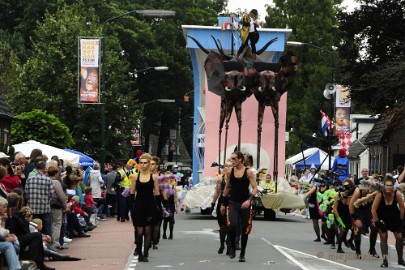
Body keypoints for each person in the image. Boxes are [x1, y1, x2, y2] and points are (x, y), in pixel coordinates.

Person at [220, 151, 258, 262]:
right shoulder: (229, 172)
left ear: (240, 160)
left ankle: (242, 253)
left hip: (245, 203)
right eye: (231, 159)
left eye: (234, 159)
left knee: (244, 229)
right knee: (232, 224)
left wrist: (249, 200)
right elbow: (227, 188)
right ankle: (232, 247)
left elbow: (255, 188)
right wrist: (223, 203)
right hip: (233, 202)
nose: (232, 161)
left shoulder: (248, 172)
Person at [130, 153, 160, 262]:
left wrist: (159, 208)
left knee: (148, 230)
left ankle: (145, 254)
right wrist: (131, 207)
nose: (143, 165)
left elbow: (157, 193)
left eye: (145, 163)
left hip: (150, 205)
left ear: (148, 163)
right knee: (139, 231)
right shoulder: (135, 176)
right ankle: (139, 251)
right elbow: (132, 192)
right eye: (141, 163)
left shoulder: (154, 177)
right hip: (138, 205)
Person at [371, 175, 405, 267]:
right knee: (383, 237)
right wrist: (377, 221)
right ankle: (385, 261)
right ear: (384, 186)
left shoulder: (397, 193)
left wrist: (402, 222)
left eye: (390, 186)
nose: (388, 188)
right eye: (387, 185)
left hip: (394, 217)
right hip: (382, 217)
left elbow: (402, 208)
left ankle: (400, 259)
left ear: (393, 186)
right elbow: (373, 209)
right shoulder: (380, 194)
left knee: (399, 237)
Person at [349, 176, 379, 259]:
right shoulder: (358, 191)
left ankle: (372, 249)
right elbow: (351, 205)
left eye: (371, 188)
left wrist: (374, 217)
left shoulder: (374, 191)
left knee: (374, 227)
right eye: (368, 189)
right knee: (357, 229)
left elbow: (375, 205)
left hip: (368, 210)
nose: (369, 191)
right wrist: (354, 218)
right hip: (357, 210)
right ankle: (358, 250)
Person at [24, 161, 55, 238]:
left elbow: (26, 193)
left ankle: (36, 245)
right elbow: (52, 193)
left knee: (33, 228)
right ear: (44, 169)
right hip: (45, 208)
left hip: (32, 208)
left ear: (36, 168)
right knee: (47, 229)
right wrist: (48, 200)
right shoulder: (48, 180)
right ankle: (48, 245)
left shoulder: (29, 180)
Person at [212, 159, 232, 255]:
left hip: (232, 202)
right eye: (226, 166)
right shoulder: (220, 178)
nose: (228, 167)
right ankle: (222, 245)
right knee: (222, 226)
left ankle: (229, 244)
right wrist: (213, 202)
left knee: (230, 225)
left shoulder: (236, 178)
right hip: (222, 201)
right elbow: (217, 191)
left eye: (230, 166)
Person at [0, 196, 23, 270]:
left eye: (6, 207)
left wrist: (8, 235)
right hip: (3, 242)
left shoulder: (2, 217)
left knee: (15, 245)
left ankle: (17, 266)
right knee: (9, 245)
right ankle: (16, 268)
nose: (5, 209)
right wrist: (6, 239)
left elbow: (2, 232)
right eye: (3, 207)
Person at [333, 179, 355, 253]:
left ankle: (349, 241)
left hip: (348, 215)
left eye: (347, 186)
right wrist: (339, 220)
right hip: (339, 214)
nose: (345, 188)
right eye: (344, 186)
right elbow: (335, 208)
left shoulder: (353, 196)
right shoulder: (339, 195)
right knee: (342, 230)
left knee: (354, 230)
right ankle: (339, 247)